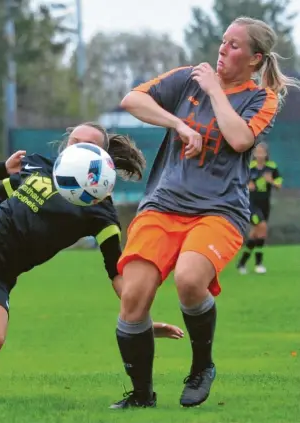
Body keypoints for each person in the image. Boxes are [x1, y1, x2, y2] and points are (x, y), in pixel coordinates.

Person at [109, 16, 300, 410]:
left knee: (190, 279)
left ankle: (201, 367)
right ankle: (142, 396)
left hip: (218, 211)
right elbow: (132, 100)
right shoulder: (187, 78)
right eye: (223, 41)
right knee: (132, 299)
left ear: (254, 58)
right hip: (162, 205)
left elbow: (240, 138)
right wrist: (179, 124)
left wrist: (215, 91)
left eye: (233, 45)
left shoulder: (260, 98)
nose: (222, 50)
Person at [0, 122, 184, 369]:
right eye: (74, 140)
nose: (79, 146)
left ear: (103, 157)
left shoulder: (100, 211)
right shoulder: (39, 166)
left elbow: (116, 273)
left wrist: (139, 318)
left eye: (89, 144)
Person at [236, 141, 282, 274]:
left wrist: (271, 181)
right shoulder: (250, 167)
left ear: (266, 154)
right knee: (262, 228)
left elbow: (279, 185)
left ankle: (242, 263)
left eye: (262, 152)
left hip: (265, 204)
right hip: (251, 204)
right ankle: (258, 263)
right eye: (257, 151)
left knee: (256, 234)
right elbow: (239, 183)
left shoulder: (272, 167)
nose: (259, 154)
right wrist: (247, 186)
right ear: (254, 154)